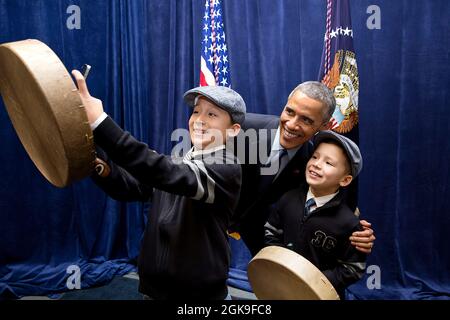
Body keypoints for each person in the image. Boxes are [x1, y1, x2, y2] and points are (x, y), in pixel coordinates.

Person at [73, 69, 245, 300]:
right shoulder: (178, 162)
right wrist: (97, 164)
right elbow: (130, 187)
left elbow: (160, 171)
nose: (199, 121)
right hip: (153, 291)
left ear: (233, 131)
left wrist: (101, 123)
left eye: (212, 115)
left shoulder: (226, 168)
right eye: (195, 112)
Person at [230, 81, 375, 256]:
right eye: (289, 112)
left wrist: (357, 230)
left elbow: (330, 201)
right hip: (209, 215)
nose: (291, 124)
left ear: (324, 126)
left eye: (306, 119)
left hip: (257, 226)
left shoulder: (312, 162)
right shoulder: (240, 127)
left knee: (277, 276)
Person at [265, 130, 366, 299]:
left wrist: (314, 280)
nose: (317, 164)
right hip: (282, 287)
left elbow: (353, 268)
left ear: (345, 180)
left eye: (329, 163)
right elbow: (271, 233)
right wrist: (282, 265)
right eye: (315, 157)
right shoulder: (288, 199)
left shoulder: (349, 223)